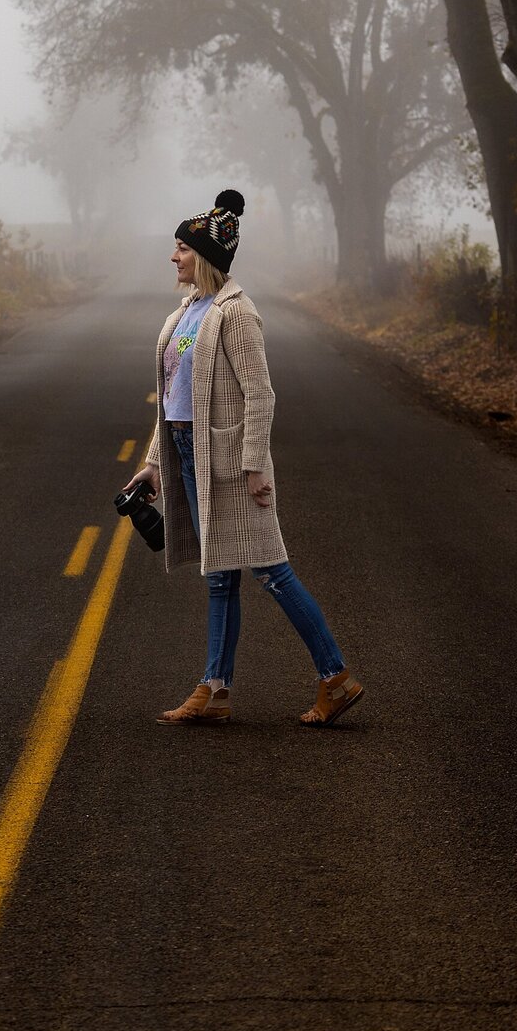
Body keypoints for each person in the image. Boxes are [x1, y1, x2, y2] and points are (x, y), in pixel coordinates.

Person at [123, 187, 364, 727]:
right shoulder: (188, 310)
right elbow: (174, 398)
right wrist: (156, 461)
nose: (173, 256)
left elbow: (260, 393)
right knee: (220, 576)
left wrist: (255, 462)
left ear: (204, 256)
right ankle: (216, 689)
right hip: (189, 454)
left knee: (271, 571)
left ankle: (336, 678)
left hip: (230, 462)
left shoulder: (236, 314)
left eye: (182, 248)